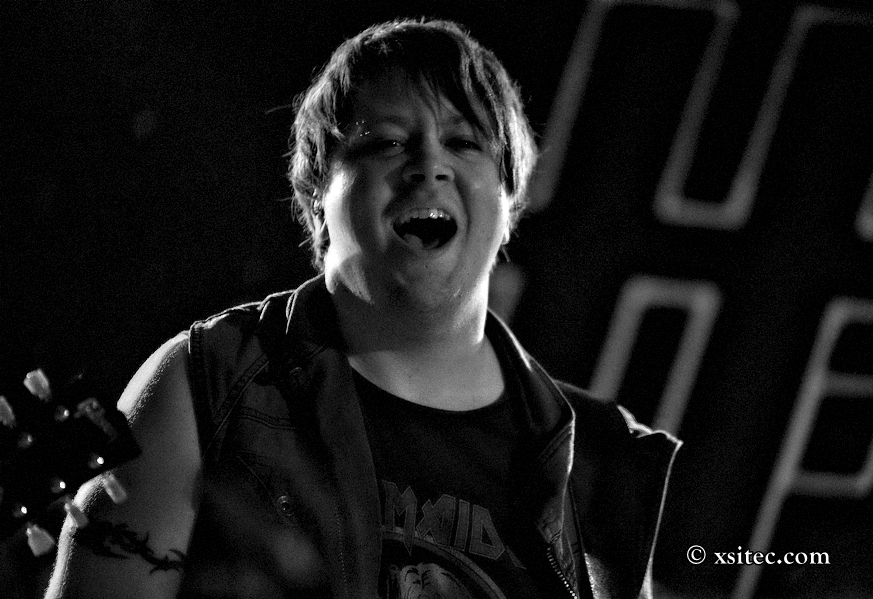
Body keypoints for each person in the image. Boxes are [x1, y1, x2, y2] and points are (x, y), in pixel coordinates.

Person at [45, 18, 680, 599]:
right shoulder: (205, 381)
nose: (429, 166)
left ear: (508, 200)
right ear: (317, 197)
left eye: (464, 143)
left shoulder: (602, 459)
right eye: (387, 144)